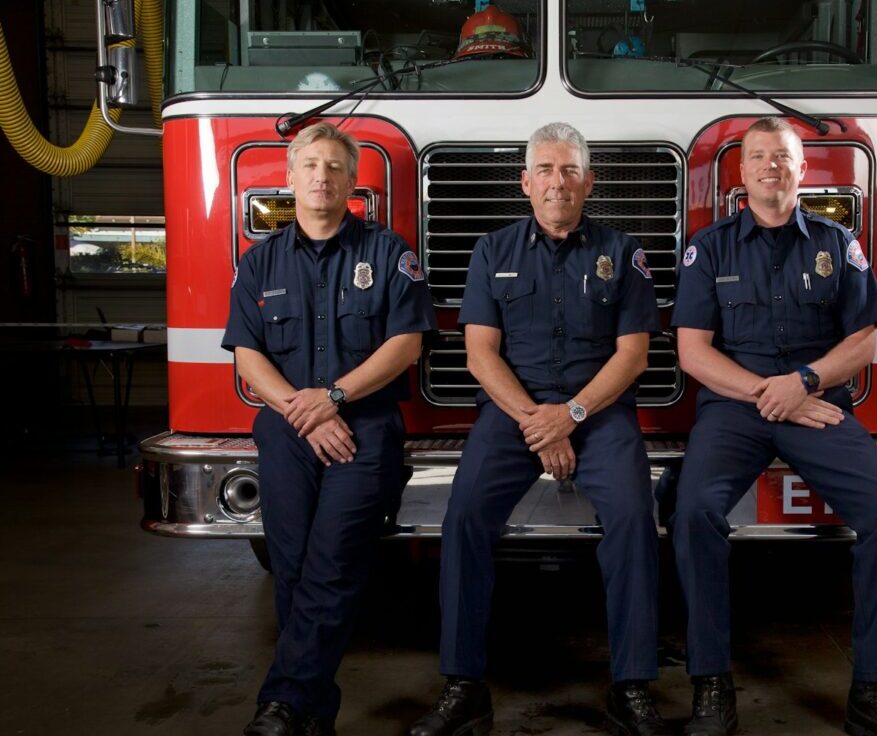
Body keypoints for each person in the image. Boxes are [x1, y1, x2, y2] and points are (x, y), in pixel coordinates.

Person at [667, 116, 877, 736]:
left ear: (801, 169)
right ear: (742, 171)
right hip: (736, 410)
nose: (770, 166)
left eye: (781, 157)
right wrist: (773, 392)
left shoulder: (839, 244)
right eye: (758, 157)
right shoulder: (710, 247)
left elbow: (862, 343)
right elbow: (693, 353)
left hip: (817, 409)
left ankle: (875, 690)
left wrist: (805, 383)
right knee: (693, 511)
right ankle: (711, 685)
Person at [407, 122, 669, 736]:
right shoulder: (491, 251)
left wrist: (571, 416)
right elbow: (479, 354)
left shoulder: (623, 251)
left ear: (589, 182)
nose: (558, 183)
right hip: (513, 415)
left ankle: (631, 687)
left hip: (598, 415)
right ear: (525, 183)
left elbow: (632, 355)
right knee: (465, 515)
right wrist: (538, 423)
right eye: (546, 171)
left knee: (633, 518)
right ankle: (464, 686)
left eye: (570, 170)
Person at [222, 121, 437, 736]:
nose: (321, 176)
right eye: (310, 166)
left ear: (352, 182)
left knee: (333, 558)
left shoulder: (389, 254)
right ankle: (310, 712)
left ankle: (285, 703)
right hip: (287, 427)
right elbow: (248, 355)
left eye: (334, 167)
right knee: (290, 563)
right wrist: (303, 409)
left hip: (365, 425)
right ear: (290, 179)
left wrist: (336, 397)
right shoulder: (258, 262)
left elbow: (406, 344)